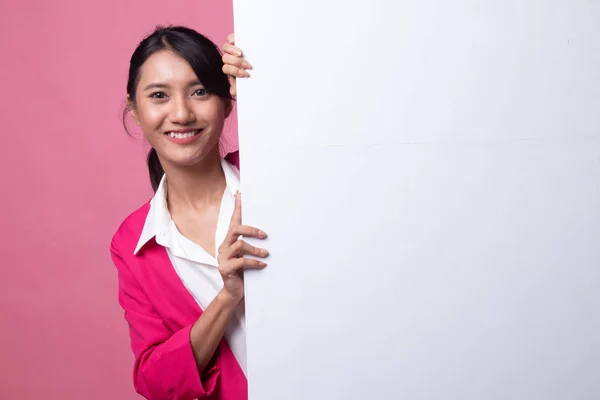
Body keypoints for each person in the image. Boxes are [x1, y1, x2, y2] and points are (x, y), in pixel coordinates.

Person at [110, 25, 263, 400]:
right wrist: (228, 297)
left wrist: (266, 79)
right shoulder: (132, 241)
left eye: (200, 91)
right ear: (134, 108)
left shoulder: (274, 175)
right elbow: (155, 381)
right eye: (159, 95)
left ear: (227, 101)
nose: (180, 113)